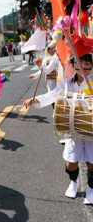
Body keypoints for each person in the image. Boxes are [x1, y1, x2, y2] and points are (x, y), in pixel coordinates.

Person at [22, 53, 93, 204]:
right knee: (71, 162)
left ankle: (90, 188)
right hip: (73, 129)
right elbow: (53, 95)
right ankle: (73, 182)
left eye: (87, 64)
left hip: (91, 129)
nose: (84, 68)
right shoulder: (67, 84)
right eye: (80, 64)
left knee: (91, 163)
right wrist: (36, 99)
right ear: (74, 65)